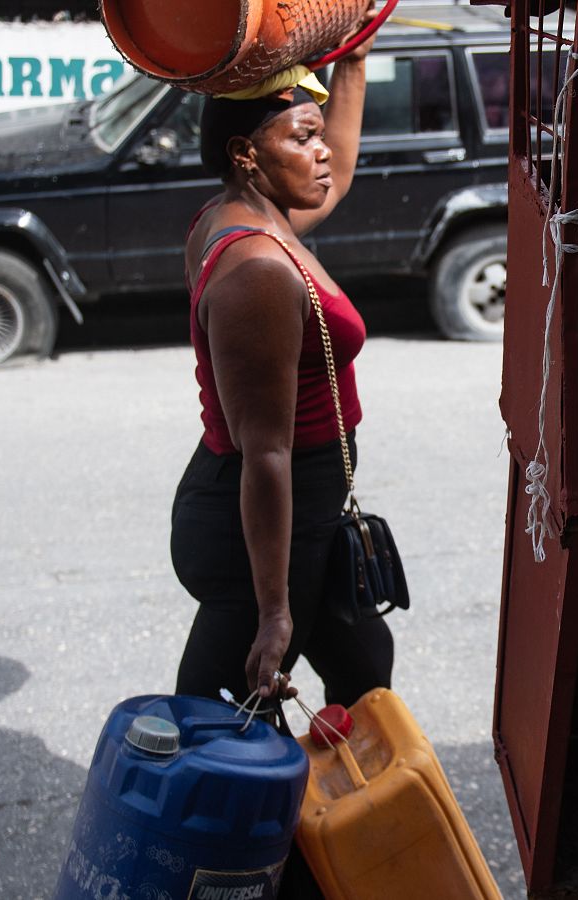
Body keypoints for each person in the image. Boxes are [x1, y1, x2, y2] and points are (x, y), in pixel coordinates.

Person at [170, 19, 393, 720]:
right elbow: (266, 453)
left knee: (364, 666)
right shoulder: (259, 272)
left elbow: (340, 175)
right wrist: (273, 612)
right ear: (247, 152)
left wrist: (352, 64)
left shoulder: (251, 214)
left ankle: (340, 821)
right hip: (262, 521)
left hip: (306, 503)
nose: (323, 153)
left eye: (319, 132)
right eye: (303, 137)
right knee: (224, 715)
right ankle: (218, 830)